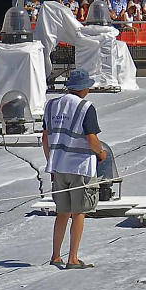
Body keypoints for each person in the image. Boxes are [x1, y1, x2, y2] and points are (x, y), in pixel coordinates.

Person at [42, 69, 109, 269]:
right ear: (83, 88)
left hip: (59, 166)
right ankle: (72, 258)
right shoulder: (85, 107)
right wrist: (101, 153)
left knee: (62, 212)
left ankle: (55, 255)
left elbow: (45, 137)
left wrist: (51, 162)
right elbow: (91, 138)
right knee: (79, 212)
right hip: (80, 167)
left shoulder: (51, 105)